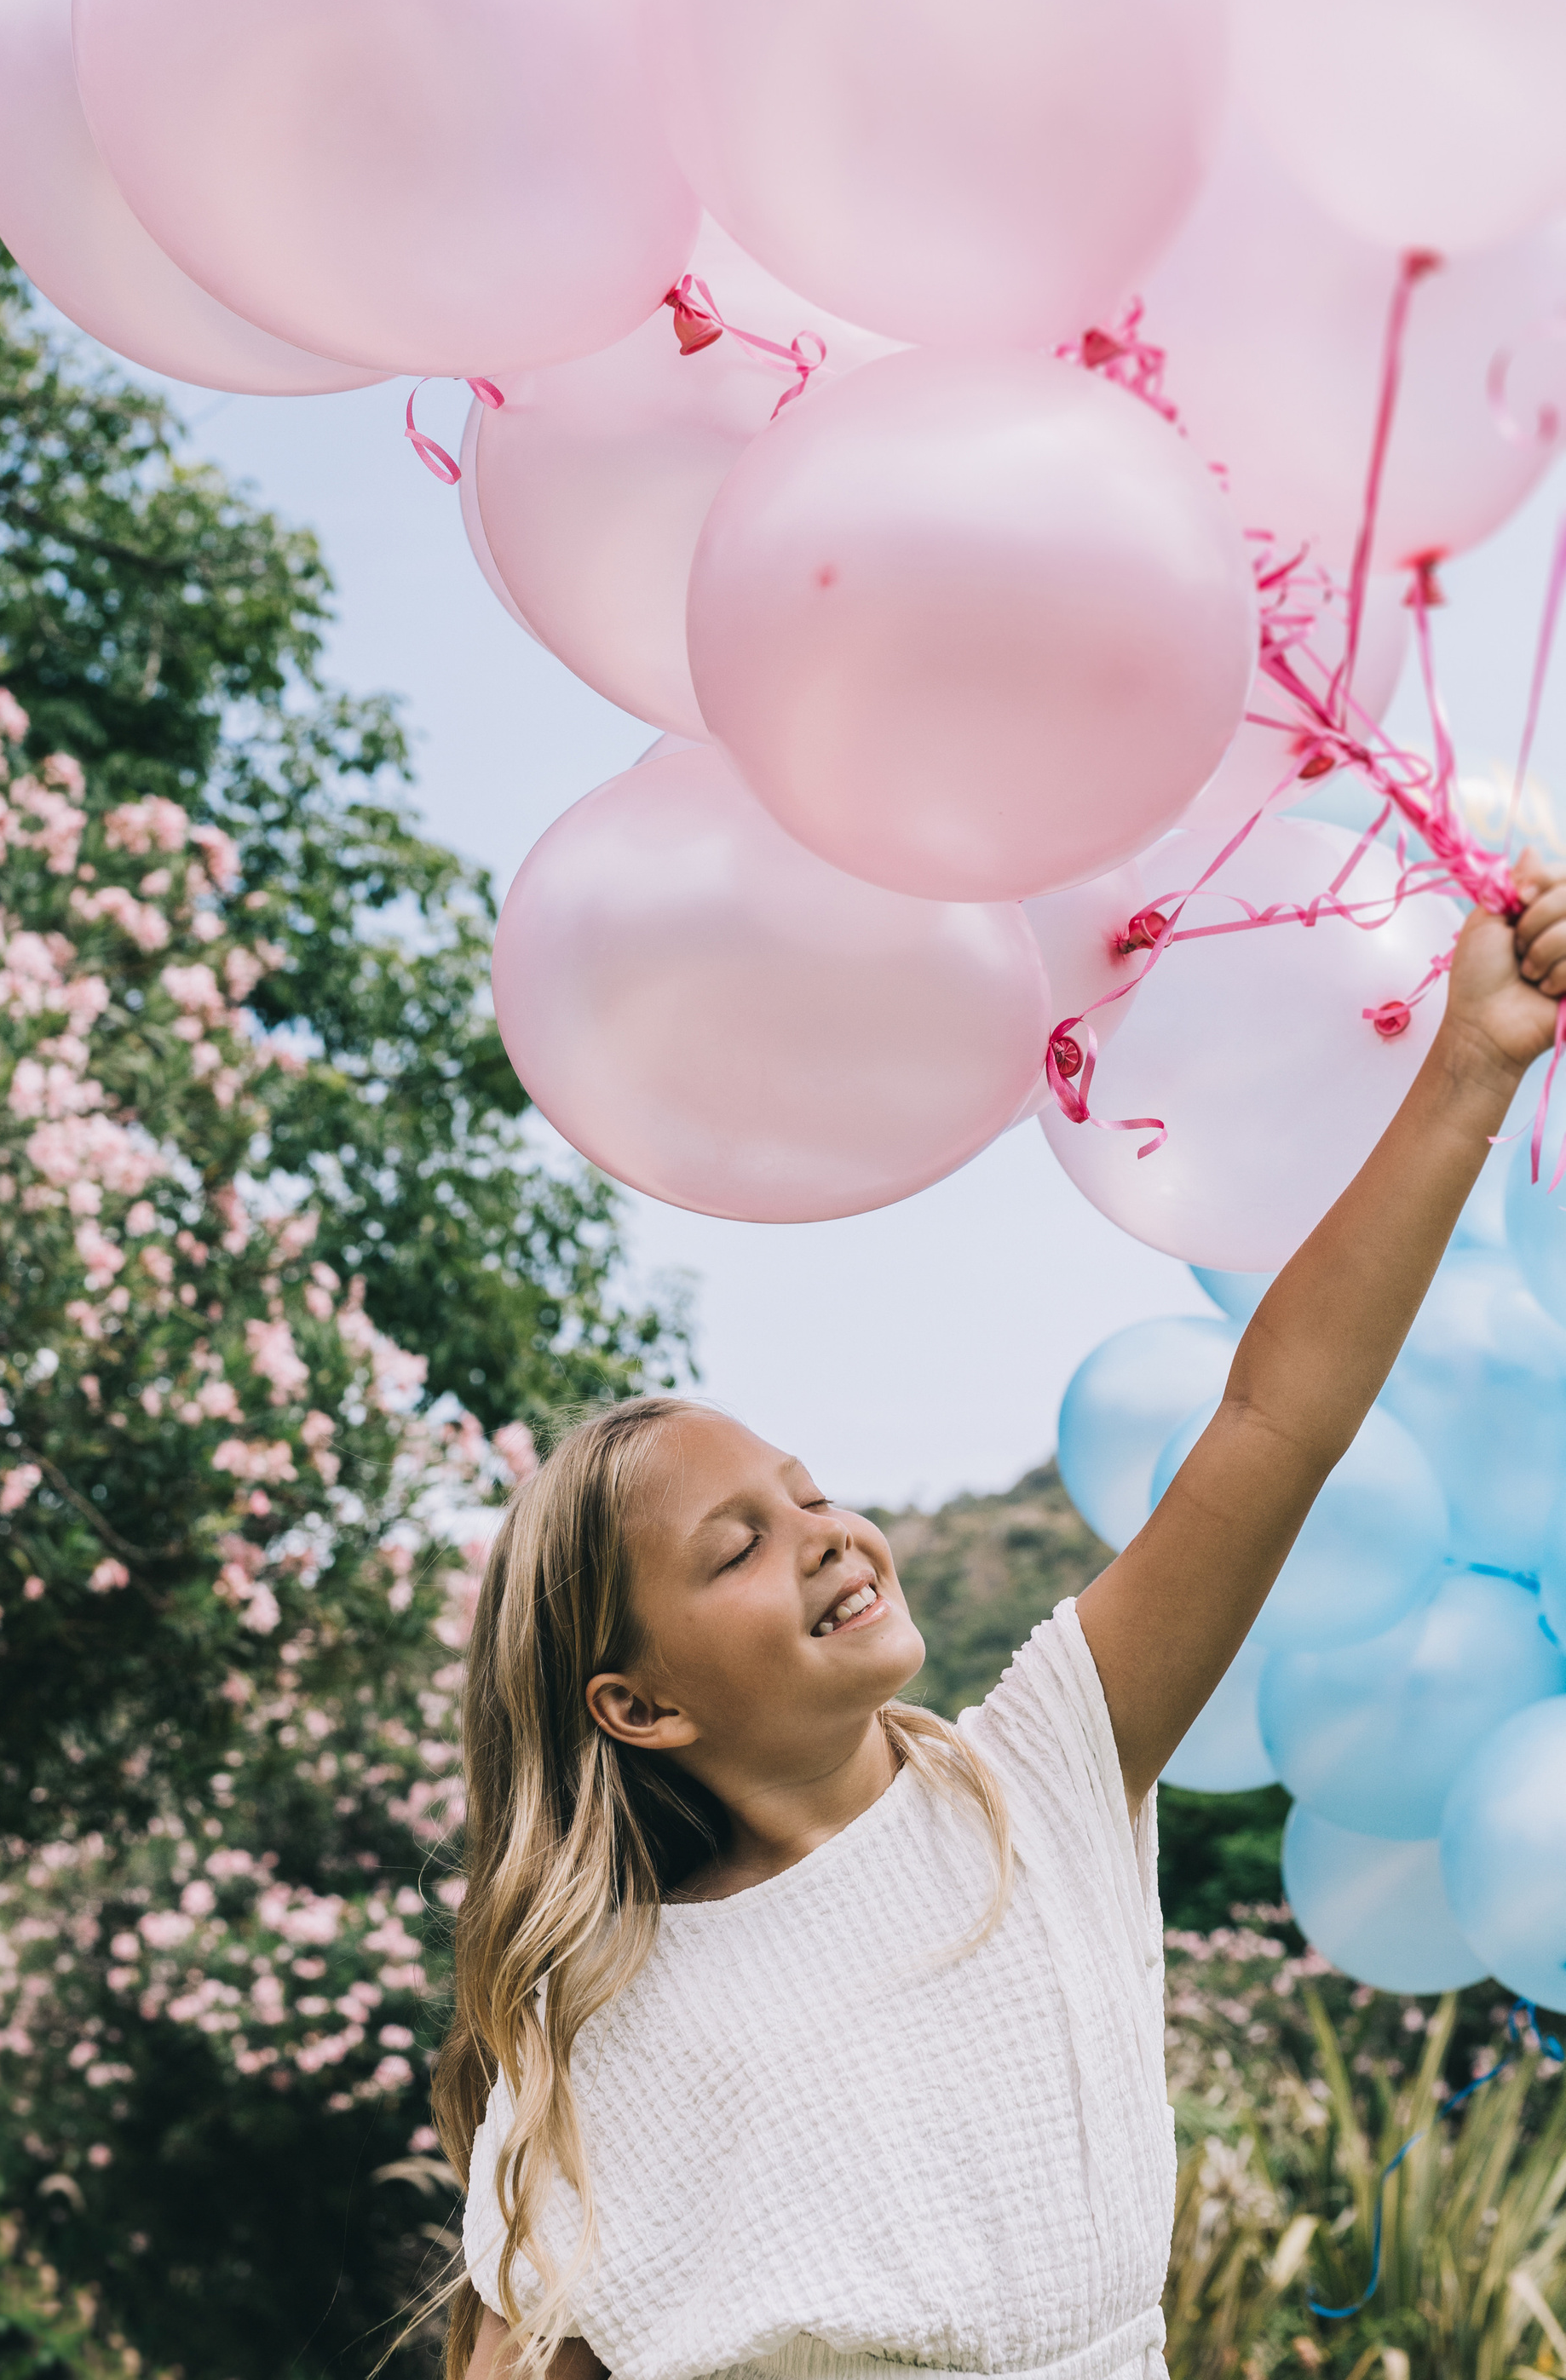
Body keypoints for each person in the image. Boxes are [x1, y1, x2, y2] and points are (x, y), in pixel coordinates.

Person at [432, 856, 1566, 2380]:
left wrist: (1470, 1064)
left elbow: (1273, 1419)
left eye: (811, 1491)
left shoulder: (1037, 1775)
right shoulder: (595, 2024)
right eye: (737, 1548)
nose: (826, 1535)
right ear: (637, 1705)